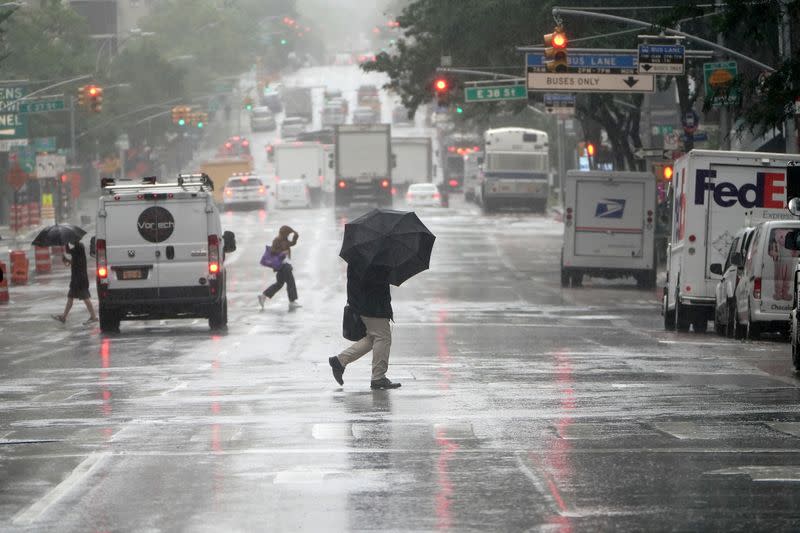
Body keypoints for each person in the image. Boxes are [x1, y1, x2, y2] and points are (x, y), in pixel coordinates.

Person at [329, 265, 401, 390]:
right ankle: (378, 377)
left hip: (365, 304)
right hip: (374, 306)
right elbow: (374, 283)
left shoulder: (361, 256)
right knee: (383, 338)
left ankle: (340, 361)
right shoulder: (373, 260)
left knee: (373, 338)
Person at [52, 240, 98, 325]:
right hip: (76, 278)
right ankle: (64, 317)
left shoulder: (79, 247)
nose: (71, 242)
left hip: (80, 279)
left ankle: (94, 317)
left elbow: (68, 251)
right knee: (70, 297)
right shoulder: (78, 249)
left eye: (71, 240)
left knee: (85, 297)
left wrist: (65, 243)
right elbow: (74, 262)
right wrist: (66, 260)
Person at [258, 225, 301, 310]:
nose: (288, 235)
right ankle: (292, 301)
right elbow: (273, 251)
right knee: (290, 282)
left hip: (284, 265)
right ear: (284, 233)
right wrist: (282, 253)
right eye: (287, 233)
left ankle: (263, 296)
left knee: (279, 284)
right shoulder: (277, 240)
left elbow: (292, 243)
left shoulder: (285, 240)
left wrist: (296, 235)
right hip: (282, 265)